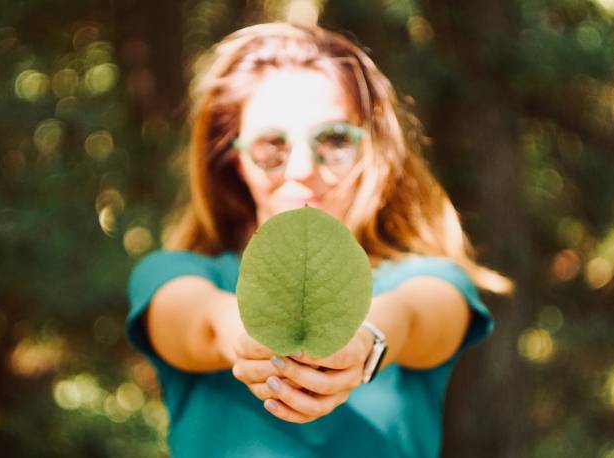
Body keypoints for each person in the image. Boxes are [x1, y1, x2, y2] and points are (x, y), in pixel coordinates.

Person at [125, 22, 512, 457]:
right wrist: (249, 339)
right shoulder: (173, 274)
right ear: (233, 158)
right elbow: (201, 323)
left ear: (372, 148)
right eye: (272, 144)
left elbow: (414, 317)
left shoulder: (428, 279)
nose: (301, 169)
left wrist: (364, 341)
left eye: (333, 140)